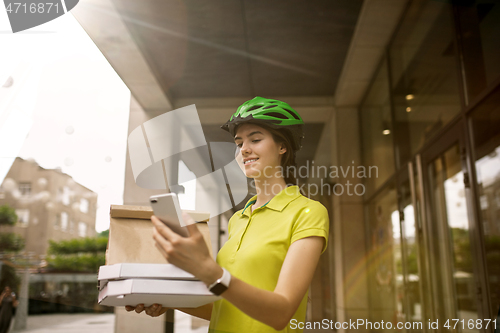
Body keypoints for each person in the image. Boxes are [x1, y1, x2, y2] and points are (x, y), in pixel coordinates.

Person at [126, 97, 329, 332]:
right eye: (239, 142)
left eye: (255, 139)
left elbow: (282, 313)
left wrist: (209, 270)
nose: (244, 149)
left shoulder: (307, 212)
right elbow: (225, 307)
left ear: (283, 146)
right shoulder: (237, 220)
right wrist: (166, 302)